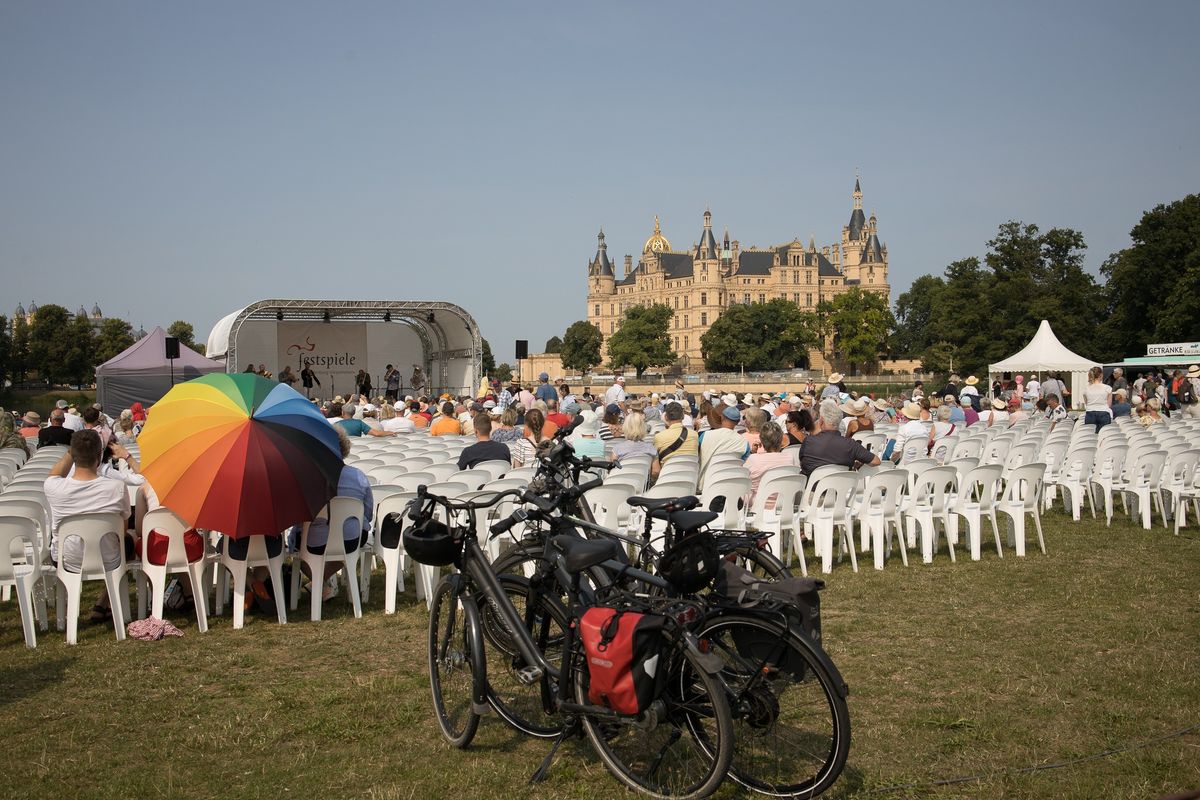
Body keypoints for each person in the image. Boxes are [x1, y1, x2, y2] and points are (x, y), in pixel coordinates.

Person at [43, 430, 133, 621]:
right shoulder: (117, 488)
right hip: (109, 559)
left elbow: (55, 472)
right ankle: (103, 602)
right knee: (130, 539)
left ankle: (78, 605)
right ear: (100, 455)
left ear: (73, 455)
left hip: (67, 560)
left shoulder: (54, 487)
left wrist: (73, 450)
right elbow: (121, 531)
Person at [299, 427, 373, 595]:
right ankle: (321, 585)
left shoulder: (305, 478)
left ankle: (318, 584)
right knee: (345, 542)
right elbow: (367, 514)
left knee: (300, 553)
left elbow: (299, 516)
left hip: (312, 543)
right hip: (351, 540)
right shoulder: (358, 476)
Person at [799, 402, 880, 475]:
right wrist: (859, 462)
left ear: (821, 421)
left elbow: (802, 461)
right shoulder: (851, 444)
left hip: (811, 489)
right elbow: (876, 461)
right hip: (839, 490)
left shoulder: (808, 441)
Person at [746, 423, 796, 505]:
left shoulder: (753, 459)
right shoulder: (789, 458)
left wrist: (752, 453)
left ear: (761, 440)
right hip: (782, 506)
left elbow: (744, 476)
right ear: (780, 440)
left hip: (757, 506)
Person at [699, 405, 750, 482]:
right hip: (730, 483)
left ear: (722, 417)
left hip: (705, 483)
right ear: (737, 422)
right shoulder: (744, 442)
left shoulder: (705, 435)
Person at [611, 411, 660, 480]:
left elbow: (612, 470)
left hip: (622, 482)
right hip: (642, 484)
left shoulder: (617, 449)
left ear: (625, 427)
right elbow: (656, 471)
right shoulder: (651, 448)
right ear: (642, 427)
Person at [1083, 366, 1113, 432]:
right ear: (1101, 375)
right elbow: (1109, 405)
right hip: (1104, 413)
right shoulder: (1108, 388)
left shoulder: (1086, 388)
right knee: (1104, 435)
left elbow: (1086, 403)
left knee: (1090, 437)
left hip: (1090, 413)